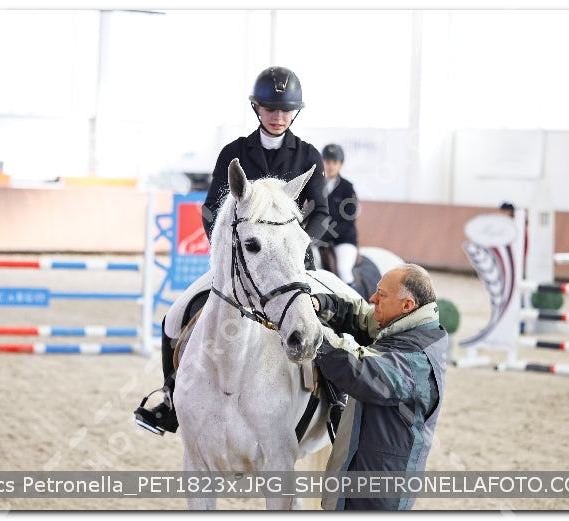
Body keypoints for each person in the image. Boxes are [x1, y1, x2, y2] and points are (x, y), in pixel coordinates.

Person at [134, 66, 330, 436]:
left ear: (295, 112)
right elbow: (211, 209)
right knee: (174, 317)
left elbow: (321, 211)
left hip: (293, 266)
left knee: (331, 318)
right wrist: (228, 255)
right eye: (270, 109)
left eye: (286, 110)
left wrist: (294, 246)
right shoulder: (234, 153)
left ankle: (335, 403)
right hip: (240, 264)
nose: (278, 116)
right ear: (257, 108)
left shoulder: (308, 156)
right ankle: (170, 399)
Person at [310, 263, 448, 510]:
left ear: (407, 305)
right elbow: (361, 316)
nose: (373, 299)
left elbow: (358, 370)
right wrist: (320, 304)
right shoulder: (408, 324)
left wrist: (310, 330)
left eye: (381, 295)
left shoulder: (417, 359)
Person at [318, 143, 359, 285]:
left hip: (342, 240)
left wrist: (325, 235)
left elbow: (349, 221)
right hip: (318, 239)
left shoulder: (347, 188)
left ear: (340, 164)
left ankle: (353, 296)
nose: (330, 166)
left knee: (343, 269)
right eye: (327, 161)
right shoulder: (316, 185)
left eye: (334, 162)